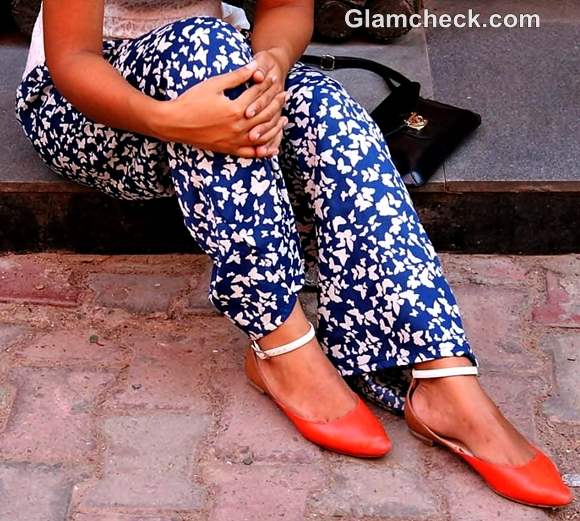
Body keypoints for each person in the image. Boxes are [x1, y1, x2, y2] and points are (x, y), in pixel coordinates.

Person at [15, 0, 572, 508]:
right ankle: (280, 341)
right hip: (94, 109)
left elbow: (286, 10)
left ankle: (445, 378)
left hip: (220, 76)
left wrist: (271, 66)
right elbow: (74, 58)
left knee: (327, 106)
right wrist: (169, 120)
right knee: (203, 44)